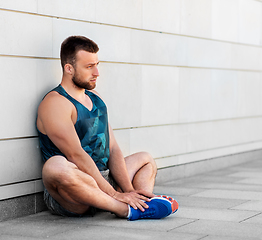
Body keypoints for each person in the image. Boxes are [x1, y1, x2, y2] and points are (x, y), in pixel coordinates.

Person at [36, 35, 178, 220]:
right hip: (77, 186)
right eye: (89, 67)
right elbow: (75, 155)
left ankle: (141, 202)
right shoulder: (55, 103)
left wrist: (127, 190)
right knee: (54, 167)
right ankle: (123, 209)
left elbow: (112, 147)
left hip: (104, 178)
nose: (96, 72)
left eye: (97, 64)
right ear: (69, 68)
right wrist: (114, 194)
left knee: (146, 159)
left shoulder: (95, 98)